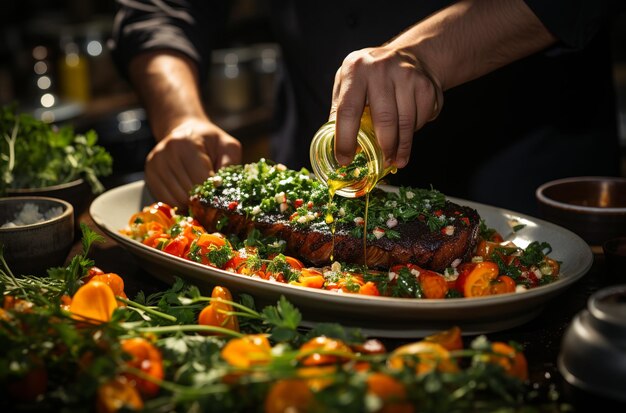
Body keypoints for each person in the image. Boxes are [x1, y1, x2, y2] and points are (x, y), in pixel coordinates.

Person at [109, 0, 623, 216]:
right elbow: (163, 6)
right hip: (313, 177)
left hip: (523, 175)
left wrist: (425, 52)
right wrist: (182, 117)